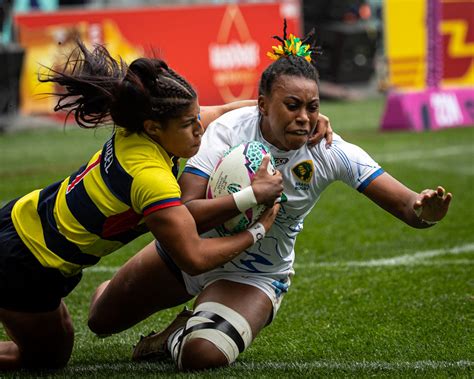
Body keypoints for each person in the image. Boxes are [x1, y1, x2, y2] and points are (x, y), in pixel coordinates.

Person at [87, 23, 452, 371]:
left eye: (313, 107)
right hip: (188, 251)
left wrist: (424, 210)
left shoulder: (330, 151)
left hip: (253, 275)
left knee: (200, 355)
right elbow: (184, 212)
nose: (305, 118)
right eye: (292, 106)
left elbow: (408, 207)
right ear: (262, 105)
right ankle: (126, 290)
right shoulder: (230, 130)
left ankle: (176, 336)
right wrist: (250, 197)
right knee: (99, 319)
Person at [0, 39, 295, 370]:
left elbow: (227, 114)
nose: (201, 130)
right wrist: (258, 226)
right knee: (46, 359)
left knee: (63, 339)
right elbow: (194, 258)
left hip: (21, 219)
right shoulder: (150, 178)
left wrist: (296, 119)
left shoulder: (141, 127)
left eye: (197, 118)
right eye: (190, 125)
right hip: (25, 262)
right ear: (154, 127)